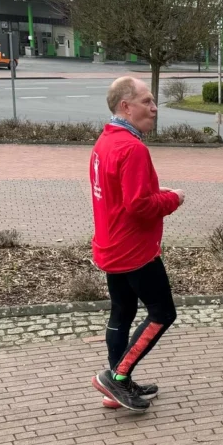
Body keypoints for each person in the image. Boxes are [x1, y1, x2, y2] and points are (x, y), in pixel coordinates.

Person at [89, 77, 184, 412]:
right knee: (162, 313)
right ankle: (116, 377)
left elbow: (122, 198)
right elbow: (139, 206)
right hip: (135, 252)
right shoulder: (132, 148)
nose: (154, 108)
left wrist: (156, 196)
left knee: (123, 312)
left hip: (110, 247)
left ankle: (117, 387)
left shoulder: (105, 141)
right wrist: (173, 198)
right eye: (147, 101)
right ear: (125, 106)